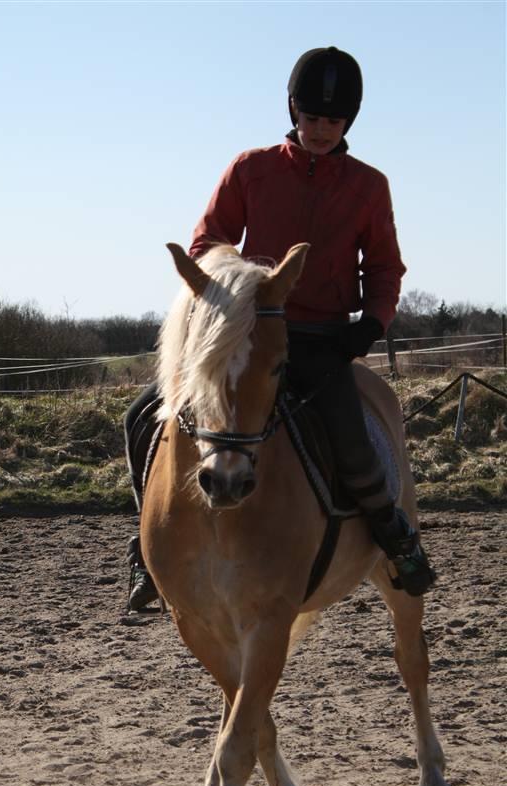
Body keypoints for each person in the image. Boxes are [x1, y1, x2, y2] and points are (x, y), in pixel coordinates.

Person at [126, 45, 435, 610]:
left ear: (349, 122)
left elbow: (384, 267)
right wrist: (238, 292)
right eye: (311, 117)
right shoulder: (251, 169)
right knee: (140, 417)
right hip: (247, 334)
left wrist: (371, 322)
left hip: (320, 341)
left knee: (353, 444)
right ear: (293, 110)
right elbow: (207, 242)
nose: (320, 130)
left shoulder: (369, 186)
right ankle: (148, 546)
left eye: (333, 121)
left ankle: (394, 536)